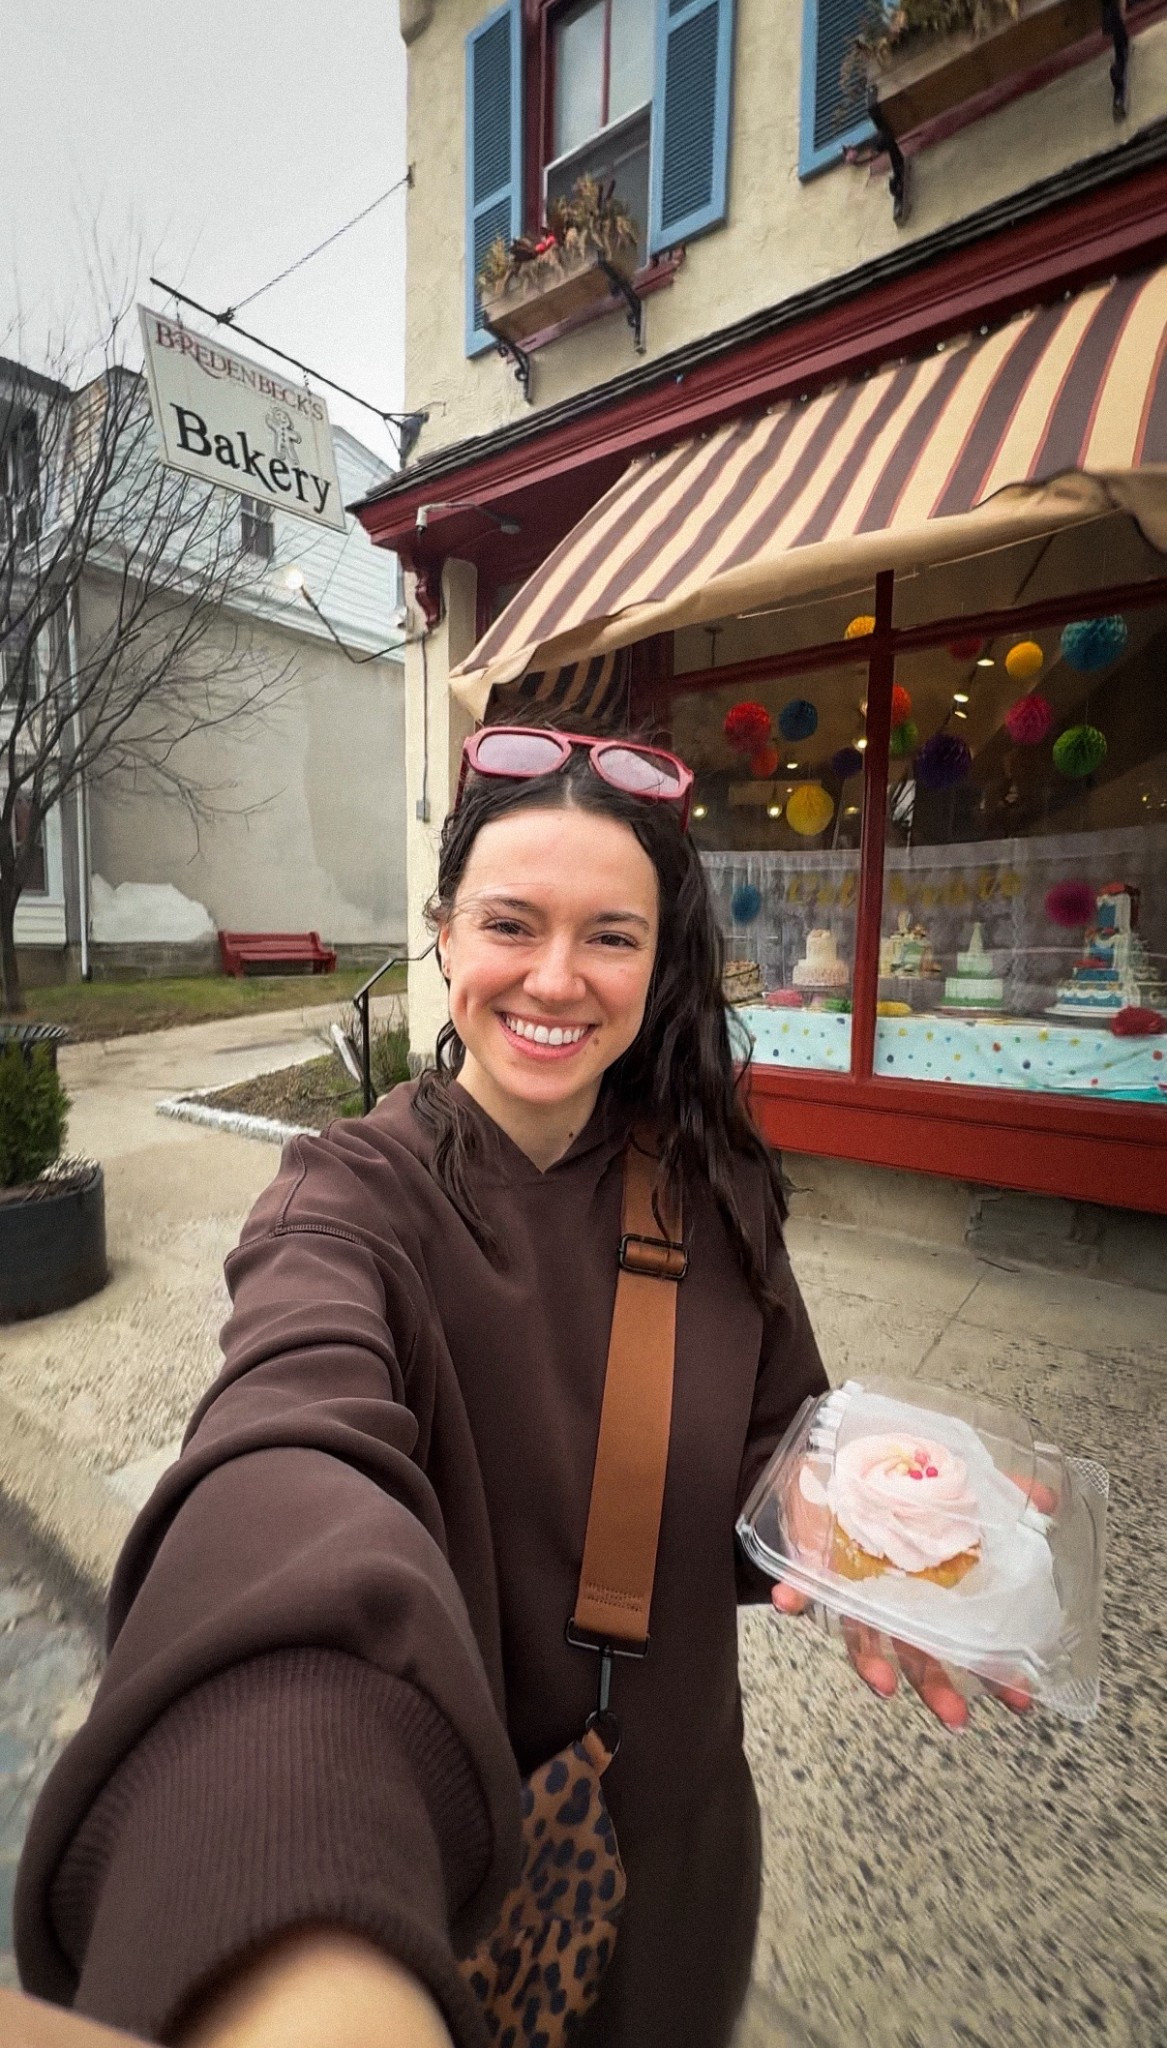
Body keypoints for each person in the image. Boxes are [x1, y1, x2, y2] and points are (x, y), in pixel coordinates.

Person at [16, 727, 988, 2048]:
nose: (555, 979)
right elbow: (287, 1456)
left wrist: (848, 1523)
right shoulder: (349, 1200)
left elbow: (777, 1444)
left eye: (611, 937)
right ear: (443, 936)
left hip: (684, 1866)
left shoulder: (717, 1185)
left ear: (663, 961)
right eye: (512, 924)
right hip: (443, 1879)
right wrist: (278, 1902)